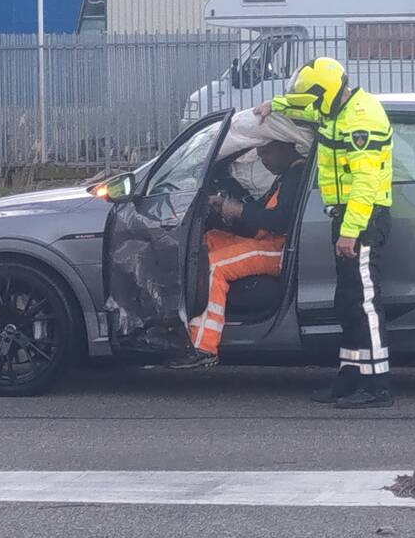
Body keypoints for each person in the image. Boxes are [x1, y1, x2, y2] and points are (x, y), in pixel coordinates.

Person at [257, 57, 394, 409]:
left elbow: (366, 182)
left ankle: (377, 385)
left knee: (364, 304)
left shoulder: (361, 120)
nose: (313, 108)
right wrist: (275, 105)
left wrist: (350, 232)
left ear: (327, 93)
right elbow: (307, 107)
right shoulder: (335, 110)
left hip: (363, 219)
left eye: (314, 99)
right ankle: (351, 376)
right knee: (347, 303)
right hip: (347, 217)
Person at [168, 139, 306, 369]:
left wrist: (239, 210)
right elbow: (263, 212)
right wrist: (225, 206)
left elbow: (280, 221)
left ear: (285, 147)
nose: (264, 160)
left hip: (279, 248)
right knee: (206, 241)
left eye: (266, 153)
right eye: (260, 155)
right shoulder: (287, 174)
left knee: (213, 265)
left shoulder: (296, 175)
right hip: (266, 241)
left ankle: (203, 347)